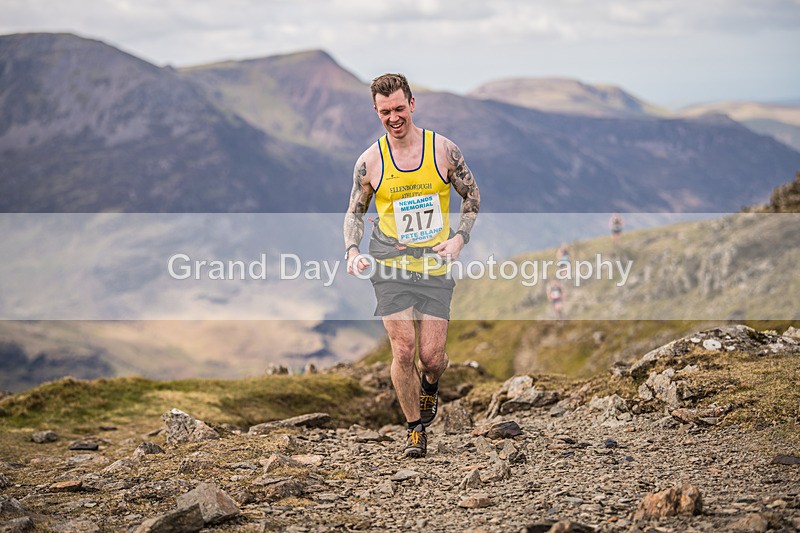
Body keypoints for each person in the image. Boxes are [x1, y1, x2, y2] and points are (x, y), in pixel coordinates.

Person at [343, 73, 480, 458]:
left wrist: (458, 238)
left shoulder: (443, 151)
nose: (393, 117)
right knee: (403, 350)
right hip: (389, 264)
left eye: (399, 108)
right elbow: (354, 211)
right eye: (385, 111)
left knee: (431, 359)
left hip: (435, 265)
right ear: (376, 111)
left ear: (412, 104)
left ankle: (431, 386)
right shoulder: (370, 161)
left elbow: (472, 197)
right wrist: (352, 250)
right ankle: (414, 429)